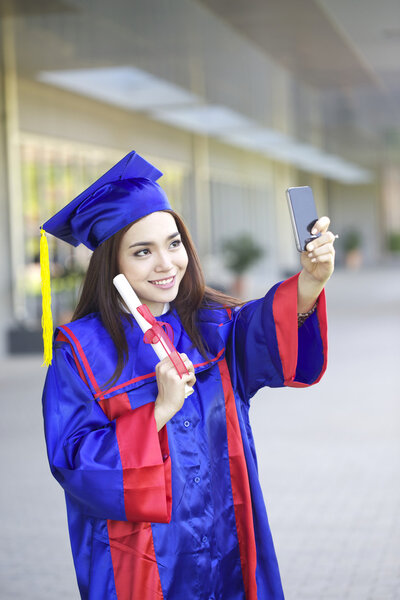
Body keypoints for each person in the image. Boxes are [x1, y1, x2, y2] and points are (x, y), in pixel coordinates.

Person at [41, 151, 335, 600]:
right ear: (112, 265)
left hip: (228, 537)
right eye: (143, 251)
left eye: (173, 243)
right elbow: (74, 462)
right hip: (144, 557)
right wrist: (157, 412)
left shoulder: (212, 327)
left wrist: (311, 281)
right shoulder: (80, 352)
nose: (166, 264)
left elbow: (267, 336)